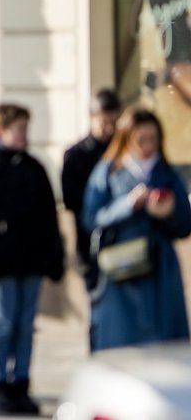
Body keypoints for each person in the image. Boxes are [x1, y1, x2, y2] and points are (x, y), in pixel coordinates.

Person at [0, 104, 64, 415]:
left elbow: (49, 216)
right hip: (0, 264)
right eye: (18, 129)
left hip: (30, 261)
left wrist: (54, 255)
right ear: (0, 132)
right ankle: (1, 384)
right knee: (2, 324)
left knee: (24, 325)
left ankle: (21, 382)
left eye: (26, 128)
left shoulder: (33, 167)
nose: (24, 135)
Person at [83, 107, 191, 351]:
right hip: (121, 266)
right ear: (127, 139)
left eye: (153, 139)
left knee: (165, 343)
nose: (148, 146)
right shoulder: (108, 172)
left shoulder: (167, 173)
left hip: (161, 269)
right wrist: (128, 204)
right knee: (123, 343)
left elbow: (185, 226)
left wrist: (168, 213)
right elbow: (91, 218)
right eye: (141, 140)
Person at [61, 89, 122, 291]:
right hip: (90, 241)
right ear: (91, 118)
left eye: (113, 123)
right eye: (103, 123)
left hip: (122, 240)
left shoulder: (124, 152)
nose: (109, 129)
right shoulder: (76, 155)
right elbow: (71, 199)